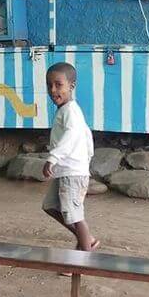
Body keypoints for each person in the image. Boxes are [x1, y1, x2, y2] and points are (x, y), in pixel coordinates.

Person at [41, 62, 99, 252]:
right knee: (50, 206)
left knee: (75, 216)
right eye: (49, 85)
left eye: (59, 85)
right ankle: (86, 239)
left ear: (71, 86)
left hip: (72, 173)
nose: (53, 90)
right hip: (66, 172)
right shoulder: (66, 110)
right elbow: (86, 137)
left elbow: (72, 135)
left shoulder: (71, 111)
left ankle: (83, 259)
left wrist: (53, 158)